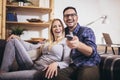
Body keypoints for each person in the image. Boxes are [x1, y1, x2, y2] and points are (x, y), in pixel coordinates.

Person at [41, 6, 101, 80]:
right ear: (64, 19)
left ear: (77, 17)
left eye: (72, 15)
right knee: (48, 74)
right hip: (71, 67)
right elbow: (52, 40)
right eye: (66, 16)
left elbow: (92, 52)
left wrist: (78, 44)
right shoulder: (62, 31)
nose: (69, 18)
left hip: (88, 64)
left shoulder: (86, 31)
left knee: (86, 76)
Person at [0, 18, 71, 80]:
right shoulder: (47, 42)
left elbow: (66, 62)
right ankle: (3, 70)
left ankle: (2, 74)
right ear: (51, 30)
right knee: (13, 41)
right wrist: (19, 39)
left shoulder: (66, 41)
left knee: (2, 76)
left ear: (62, 28)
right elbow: (30, 47)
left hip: (39, 72)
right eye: (54, 26)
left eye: (59, 26)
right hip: (31, 65)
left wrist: (56, 64)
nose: (57, 28)